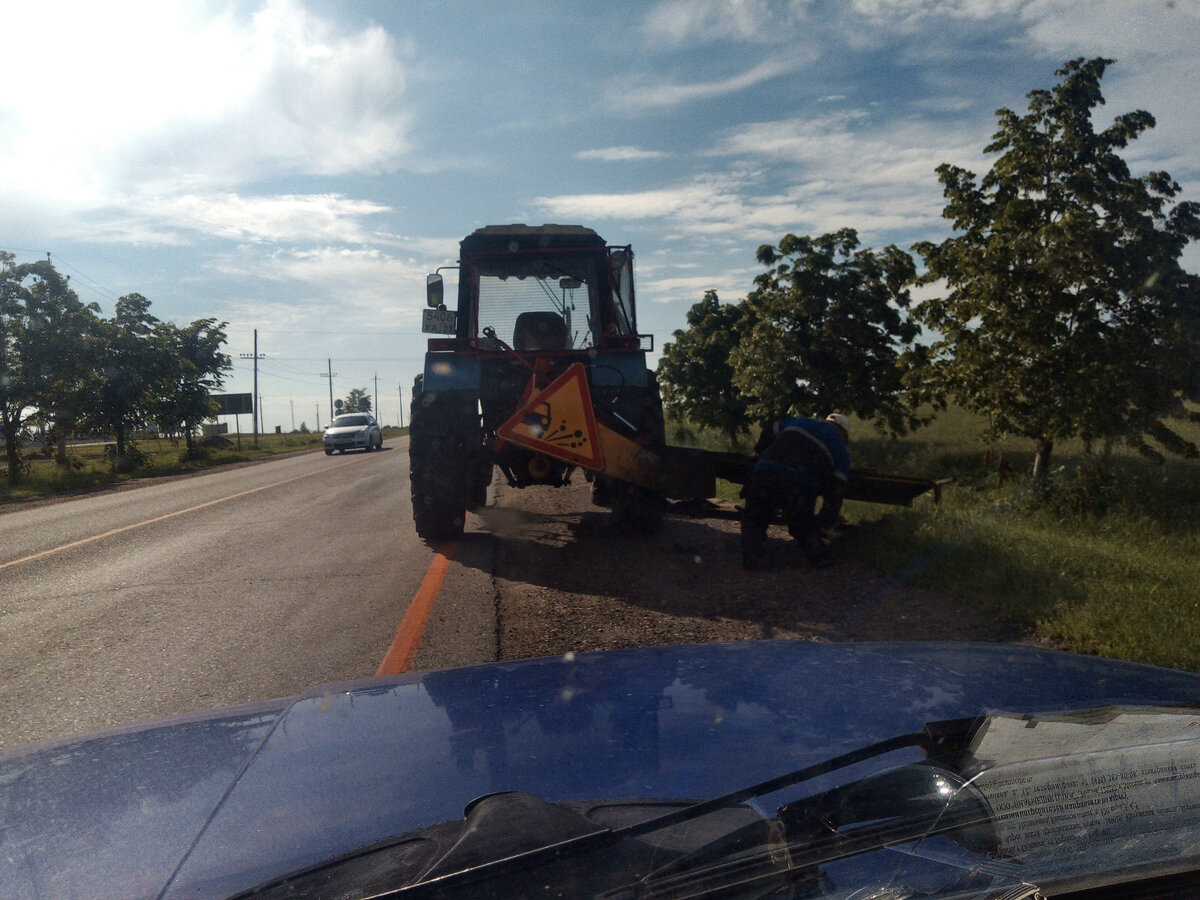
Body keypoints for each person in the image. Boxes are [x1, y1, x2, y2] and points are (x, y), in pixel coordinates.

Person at [740, 413, 851, 570]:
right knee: (802, 522)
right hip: (800, 483)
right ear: (843, 433)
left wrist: (762, 452)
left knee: (755, 517)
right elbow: (836, 492)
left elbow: (768, 430)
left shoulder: (801, 421)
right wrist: (825, 521)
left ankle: (752, 556)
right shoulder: (842, 451)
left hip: (765, 472)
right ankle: (819, 557)